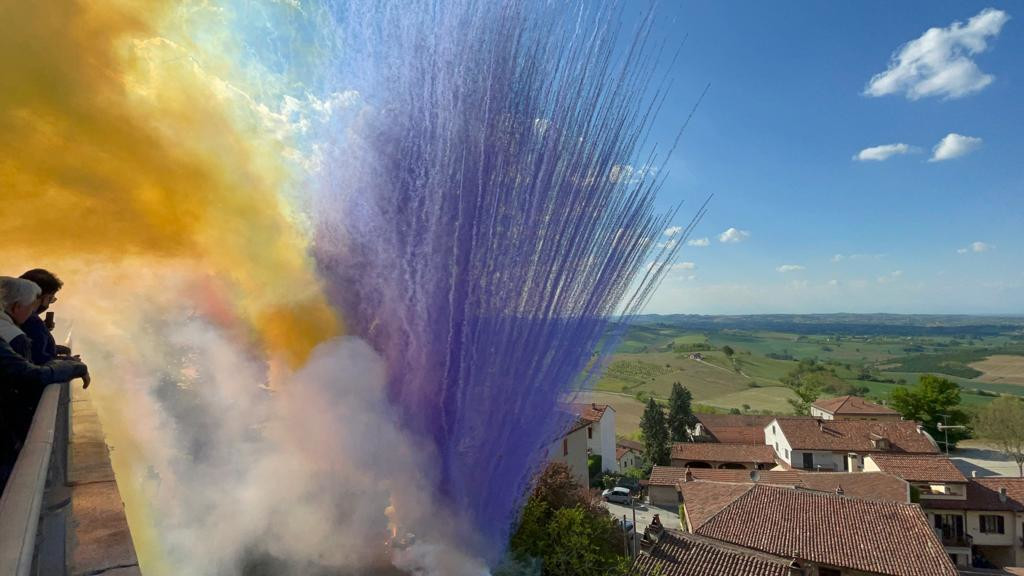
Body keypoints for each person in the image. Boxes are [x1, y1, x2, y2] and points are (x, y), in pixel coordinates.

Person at [0, 277, 89, 493]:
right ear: (16, 307)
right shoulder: (12, 334)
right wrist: (73, 368)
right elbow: (30, 375)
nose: (34, 313)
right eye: (31, 307)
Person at [18, 269, 67, 364]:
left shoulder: (10, 315)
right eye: (49, 298)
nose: (48, 305)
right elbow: (40, 360)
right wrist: (72, 364)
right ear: (37, 296)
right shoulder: (33, 321)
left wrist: (44, 330)